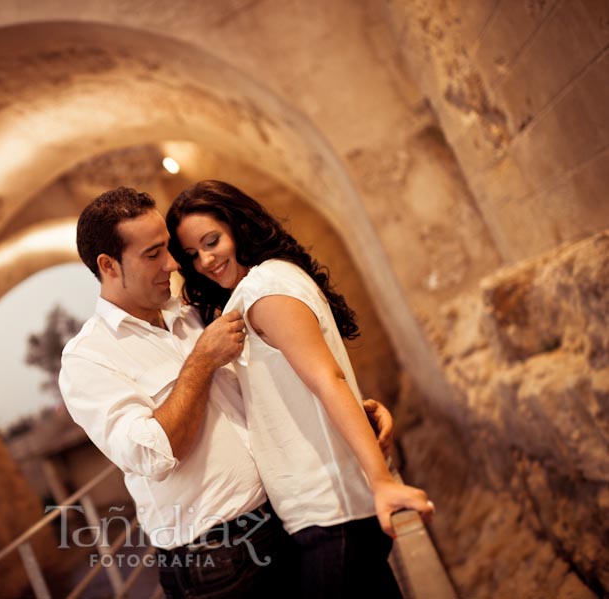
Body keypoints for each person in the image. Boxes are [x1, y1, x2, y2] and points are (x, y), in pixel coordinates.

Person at [59, 187, 395, 598]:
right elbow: (150, 454)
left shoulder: (195, 314)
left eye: (168, 248)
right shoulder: (88, 359)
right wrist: (200, 362)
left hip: (284, 521)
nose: (171, 264)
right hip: (217, 561)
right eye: (152, 255)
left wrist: (344, 413)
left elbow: (262, 397)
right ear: (109, 265)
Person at [167, 180, 434, 598]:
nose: (205, 260)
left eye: (212, 241)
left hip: (330, 515)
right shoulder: (265, 285)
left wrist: (383, 481)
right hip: (327, 514)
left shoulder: (264, 290)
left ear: (238, 226)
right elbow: (304, 382)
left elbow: (327, 378)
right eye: (191, 254)